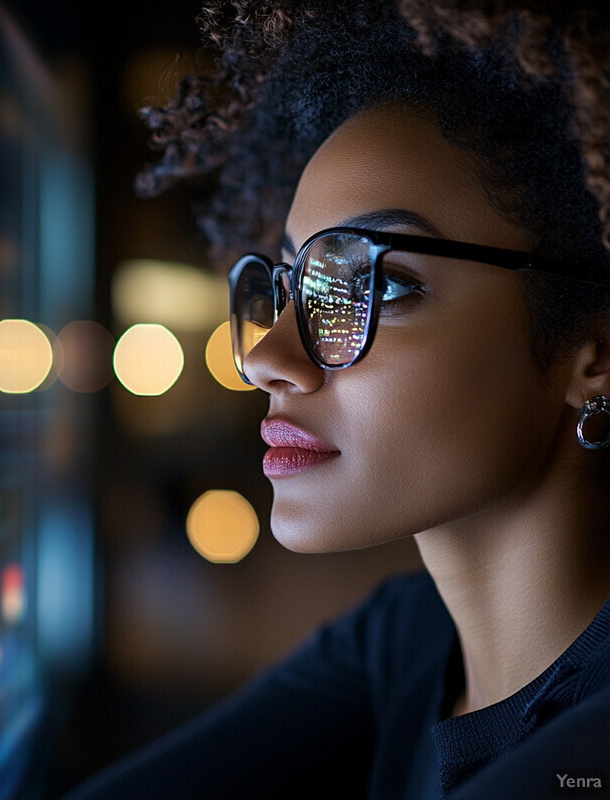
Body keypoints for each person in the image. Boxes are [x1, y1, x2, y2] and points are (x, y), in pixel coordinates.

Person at [66, 1, 610, 797]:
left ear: (595, 354)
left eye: (378, 285)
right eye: (290, 285)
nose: (268, 359)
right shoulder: (408, 637)